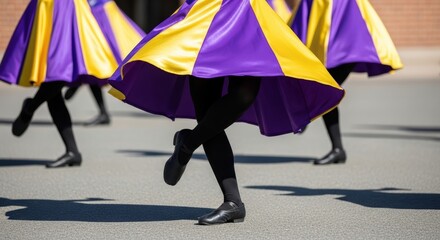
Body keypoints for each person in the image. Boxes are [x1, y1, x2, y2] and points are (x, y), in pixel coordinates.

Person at [108, 0, 344, 225]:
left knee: (245, 94)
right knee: (207, 108)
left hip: (245, 11)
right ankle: (233, 202)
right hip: (204, 13)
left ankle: (188, 143)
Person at [0, 0, 119, 168]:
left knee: (58, 72)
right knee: (52, 76)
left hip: (70, 8)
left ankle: (30, 108)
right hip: (49, 6)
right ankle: (72, 151)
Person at [290, 0, 403, 165]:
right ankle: (336, 147)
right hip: (329, 46)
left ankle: (335, 146)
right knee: (323, 91)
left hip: (345, 46)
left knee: (325, 91)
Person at [64, 0, 146, 126]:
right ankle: (101, 111)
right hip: (95, 10)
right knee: (92, 60)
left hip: (100, 12)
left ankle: (80, 84)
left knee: (97, 59)